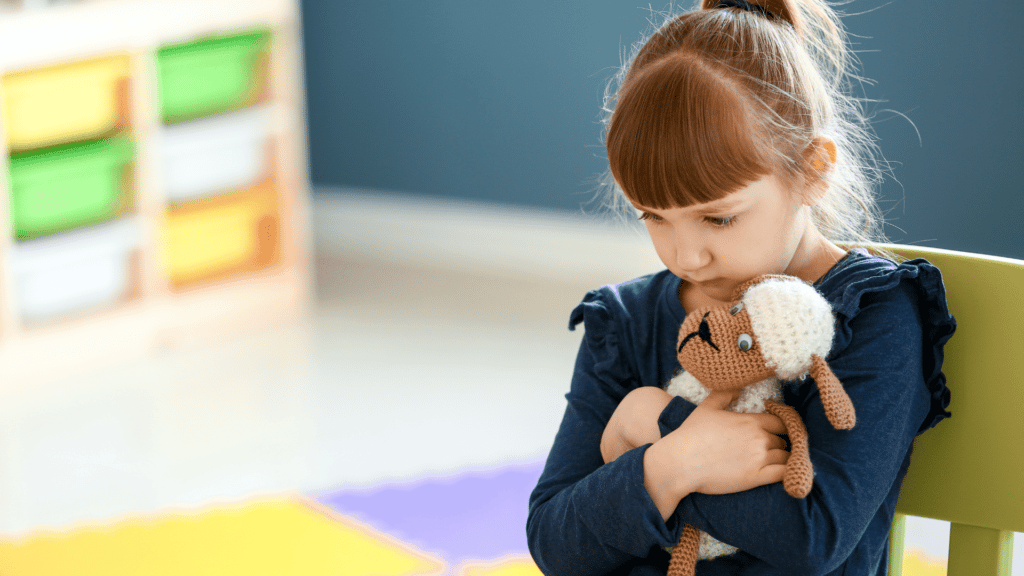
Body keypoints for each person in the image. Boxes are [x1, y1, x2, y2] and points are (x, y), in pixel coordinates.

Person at [526, 0, 956, 574]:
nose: (687, 257)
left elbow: (813, 539)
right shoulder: (625, 321)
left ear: (812, 171)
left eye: (719, 218)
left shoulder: (872, 312)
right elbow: (556, 541)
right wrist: (671, 464)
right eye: (652, 216)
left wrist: (653, 425)